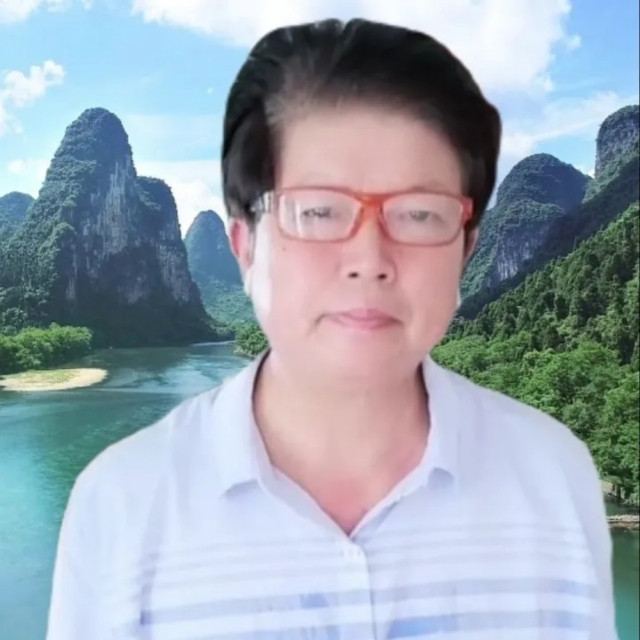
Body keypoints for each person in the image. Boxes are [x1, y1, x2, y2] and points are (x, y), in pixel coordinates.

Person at [46, 18, 617, 640]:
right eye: (317, 211)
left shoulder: (554, 479)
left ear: (467, 247)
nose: (368, 260)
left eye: (419, 213)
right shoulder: (121, 507)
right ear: (244, 246)